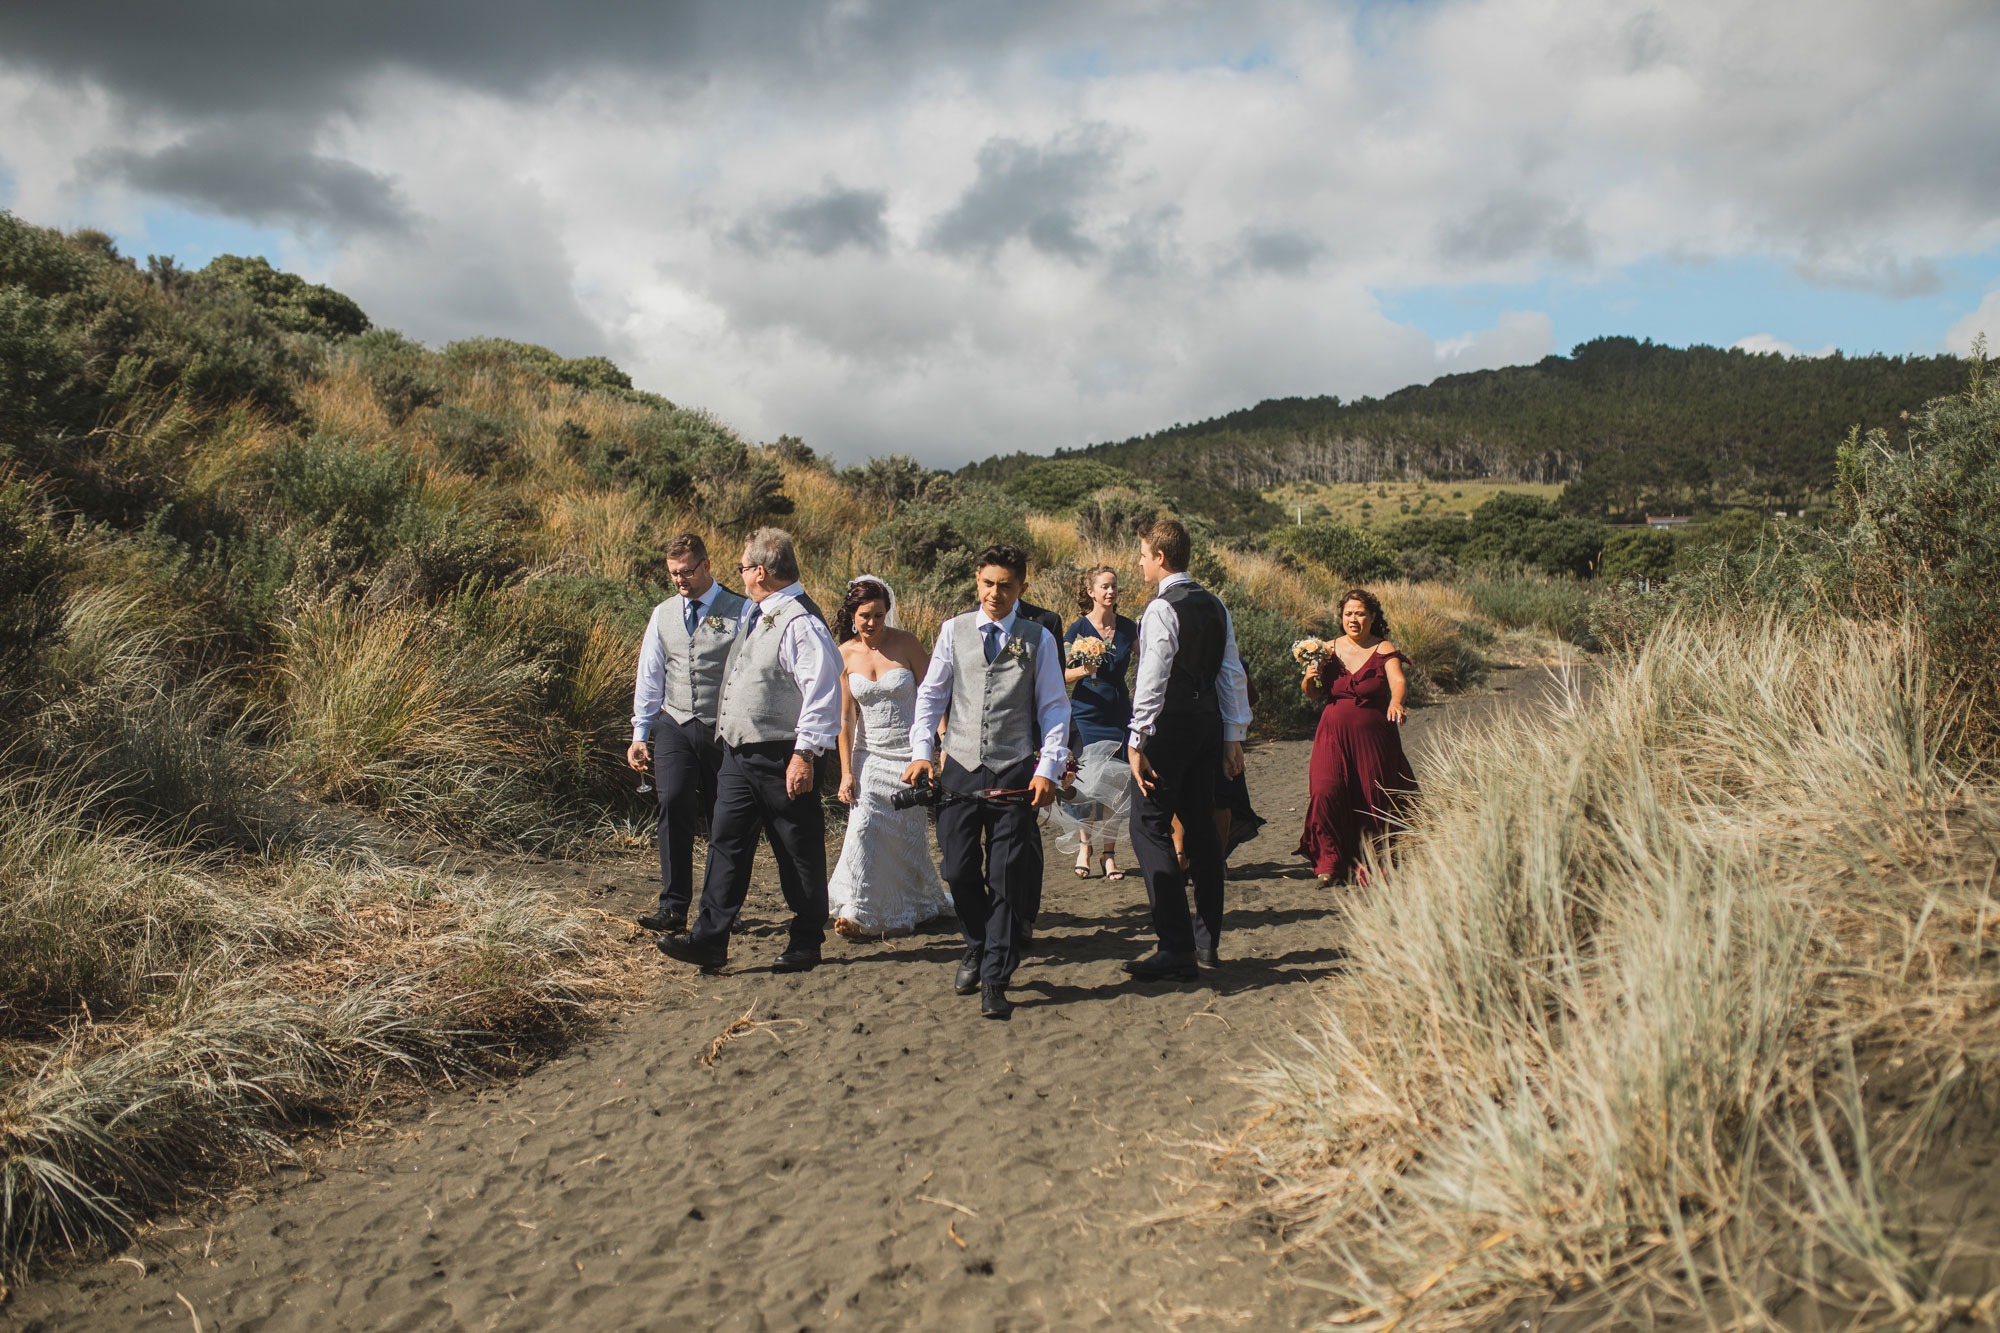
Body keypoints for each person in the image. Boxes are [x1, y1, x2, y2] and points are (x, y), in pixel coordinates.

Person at [657, 528, 841, 974]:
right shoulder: (757, 613)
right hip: (737, 752)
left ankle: (806, 940)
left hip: (782, 753)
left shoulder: (801, 621)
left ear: (760, 571)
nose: (738, 574)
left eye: (742, 567)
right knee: (726, 844)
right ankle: (709, 939)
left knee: (797, 847)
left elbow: (822, 692)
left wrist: (805, 754)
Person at [905, 543, 1070, 1019]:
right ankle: (977, 942)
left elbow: (1055, 707)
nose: (995, 594)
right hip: (958, 767)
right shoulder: (952, 631)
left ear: (1022, 587)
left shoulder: (1038, 638)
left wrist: (1047, 769)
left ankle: (995, 976)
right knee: (957, 870)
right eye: (988, 583)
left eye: (1006, 586)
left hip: (1014, 770)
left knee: (1005, 879)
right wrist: (922, 754)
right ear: (977, 579)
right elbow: (931, 695)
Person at [1124, 518, 1251, 980]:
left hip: (1168, 728)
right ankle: (1207, 942)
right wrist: (1232, 736)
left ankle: (1175, 945)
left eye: (1142, 554)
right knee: (1201, 829)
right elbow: (1230, 672)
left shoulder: (1161, 609)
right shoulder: (1215, 604)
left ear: (1160, 558)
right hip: (1207, 726)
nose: (1138, 562)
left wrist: (1137, 739)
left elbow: (1151, 680)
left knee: (1148, 827)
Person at [626, 533, 749, 935]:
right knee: (673, 804)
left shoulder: (743, 609)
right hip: (674, 722)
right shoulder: (662, 614)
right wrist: (640, 731)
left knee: (724, 819)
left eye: (687, 572)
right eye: (673, 574)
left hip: (723, 727)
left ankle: (720, 913)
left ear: (706, 565)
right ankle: (673, 907)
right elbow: (651, 674)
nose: (680, 580)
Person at [827, 578, 952, 939]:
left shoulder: (906, 643)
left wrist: (938, 742)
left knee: (905, 836)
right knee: (863, 829)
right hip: (868, 755)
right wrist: (846, 772)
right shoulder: (844, 654)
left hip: (908, 755)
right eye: (865, 616)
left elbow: (933, 695)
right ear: (852, 615)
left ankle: (914, 901)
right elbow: (846, 718)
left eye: (879, 615)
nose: (872, 623)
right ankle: (858, 912)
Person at [1296, 588, 1418, 886]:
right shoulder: (1325, 649)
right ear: (1341, 617)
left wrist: (1397, 701)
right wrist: (1309, 680)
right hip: (1333, 733)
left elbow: (1398, 681)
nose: (1354, 619)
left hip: (1374, 737)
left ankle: (1371, 862)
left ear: (1372, 617)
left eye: (1360, 613)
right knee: (1325, 791)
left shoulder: (1383, 648)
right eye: (1348, 613)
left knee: (1372, 798)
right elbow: (1312, 694)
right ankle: (1329, 862)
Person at [1051, 565, 1139, 880]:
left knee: (1117, 785)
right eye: (1104, 586)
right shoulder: (1077, 630)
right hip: (1087, 713)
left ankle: (1110, 855)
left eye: (1114, 586)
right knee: (1086, 785)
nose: (1110, 592)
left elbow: (1148, 663)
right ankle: (1085, 847)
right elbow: (1061, 674)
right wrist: (1086, 669)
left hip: (1119, 712)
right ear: (1091, 591)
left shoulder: (1130, 628)